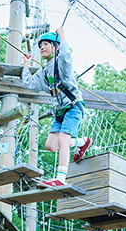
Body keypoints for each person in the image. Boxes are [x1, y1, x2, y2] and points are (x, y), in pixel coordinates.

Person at [23, 27, 92, 187]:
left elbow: (67, 57)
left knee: (62, 140)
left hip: (73, 107)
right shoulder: (43, 72)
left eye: (47, 44)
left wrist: (62, 35)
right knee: (51, 145)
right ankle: (82, 142)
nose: (42, 47)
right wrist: (26, 66)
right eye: (40, 45)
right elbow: (29, 84)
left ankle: (61, 179)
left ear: (56, 47)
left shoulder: (61, 63)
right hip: (60, 112)